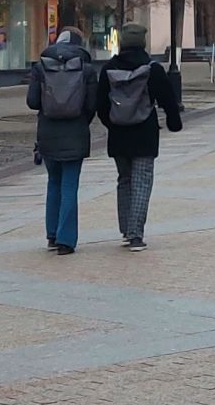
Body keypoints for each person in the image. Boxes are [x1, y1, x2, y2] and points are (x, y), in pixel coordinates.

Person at [99, 23, 183, 251]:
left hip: (118, 135)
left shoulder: (108, 69)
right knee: (142, 181)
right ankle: (136, 234)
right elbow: (168, 99)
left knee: (124, 180)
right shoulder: (152, 69)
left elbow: (100, 104)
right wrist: (174, 123)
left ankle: (126, 230)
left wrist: (113, 121)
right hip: (145, 133)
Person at [26, 29, 96, 254]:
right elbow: (91, 104)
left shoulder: (40, 67)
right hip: (76, 132)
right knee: (69, 185)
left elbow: (32, 101)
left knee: (53, 182)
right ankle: (66, 240)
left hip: (48, 132)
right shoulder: (86, 70)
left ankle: (52, 235)